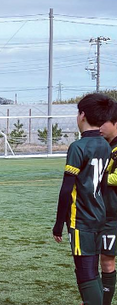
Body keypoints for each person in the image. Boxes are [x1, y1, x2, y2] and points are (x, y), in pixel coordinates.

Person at [53, 93, 114, 305]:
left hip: (81, 219)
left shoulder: (78, 147)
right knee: (90, 271)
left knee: (87, 272)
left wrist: (58, 223)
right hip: (98, 216)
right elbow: (103, 186)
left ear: (82, 115)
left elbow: (66, 190)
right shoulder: (105, 145)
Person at [100, 101, 117, 305]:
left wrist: (100, 175)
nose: (99, 127)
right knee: (92, 258)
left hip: (112, 215)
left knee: (107, 259)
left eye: (103, 122)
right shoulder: (104, 146)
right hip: (98, 212)